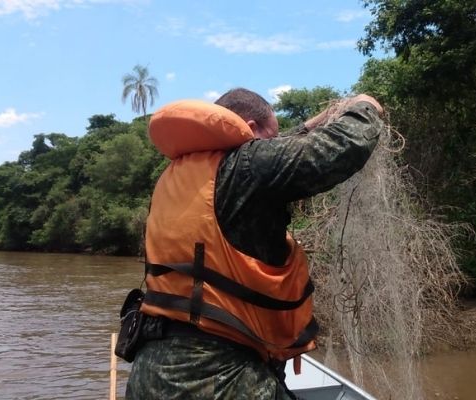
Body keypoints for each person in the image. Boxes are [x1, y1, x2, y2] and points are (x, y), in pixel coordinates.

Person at [125, 88, 384, 399]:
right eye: (270, 137)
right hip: (215, 377)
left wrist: (308, 126)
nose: (274, 145)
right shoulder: (247, 165)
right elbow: (339, 149)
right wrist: (364, 109)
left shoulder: (177, 174)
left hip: (151, 370)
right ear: (249, 128)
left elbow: (271, 157)